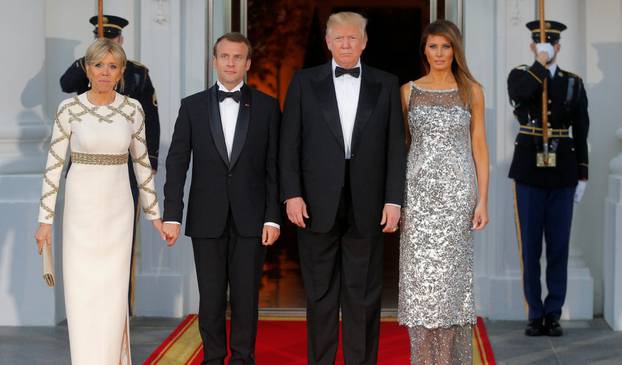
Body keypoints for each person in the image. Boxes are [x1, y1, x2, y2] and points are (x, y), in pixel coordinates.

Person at [280, 12, 406, 364]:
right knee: (320, 294)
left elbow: (396, 147)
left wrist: (394, 199)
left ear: (365, 42)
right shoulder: (304, 83)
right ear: (328, 42)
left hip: (368, 203)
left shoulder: (386, 83)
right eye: (339, 38)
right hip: (315, 203)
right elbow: (289, 144)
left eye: (353, 37)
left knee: (363, 294)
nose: (346, 44)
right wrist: (292, 193)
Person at [34, 38, 163, 364]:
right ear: (87, 69)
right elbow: (53, 165)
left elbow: (142, 164)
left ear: (121, 72)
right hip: (80, 214)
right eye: (98, 65)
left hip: (118, 213)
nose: (105, 72)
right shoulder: (69, 110)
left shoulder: (132, 109)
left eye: (112, 66)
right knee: (81, 297)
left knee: (112, 298)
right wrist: (44, 220)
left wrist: (154, 215)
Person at [161, 32, 281, 365]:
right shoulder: (192, 106)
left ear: (248, 63)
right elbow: (178, 162)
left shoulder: (268, 107)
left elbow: (275, 165)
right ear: (214, 61)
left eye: (238, 57)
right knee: (211, 297)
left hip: (252, 218)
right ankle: (213, 358)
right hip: (205, 217)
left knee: (245, 298)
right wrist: (172, 214)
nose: (231, 63)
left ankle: (243, 359)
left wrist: (272, 216)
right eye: (225, 56)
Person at [397, 20, 489, 364]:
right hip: (419, 200)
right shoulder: (407, 91)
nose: (439, 53)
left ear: (456, 50)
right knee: (421, 287)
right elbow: (402, 147)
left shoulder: (471, 90)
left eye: (446, 47)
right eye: (433, 46)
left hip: (457, 198)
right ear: (424, 49)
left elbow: (479, 146)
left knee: (452, 287)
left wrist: (483, 200)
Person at [59, 14, 161, 313]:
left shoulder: (138, 74)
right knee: (85, 241)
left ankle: (120, 305)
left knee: (123, 239)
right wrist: (89, 60)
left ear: (122, 41)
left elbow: (150, 119)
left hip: (125, 166)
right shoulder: (86, 69)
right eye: (102, 38)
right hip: (86, 169)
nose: (108, 45)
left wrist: (149, 161)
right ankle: (87, 306)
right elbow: (65, 85)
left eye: (113, 40)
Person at [508, 20, 589, 337]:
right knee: (530, 247)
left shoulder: (573, 83)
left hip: (563, 171)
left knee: (558, 246)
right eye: (540, 45)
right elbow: (520, 94)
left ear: (558, 47)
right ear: (532, 47)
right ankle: (535, 312)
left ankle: (553, 312)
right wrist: (539, 66)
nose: (546, 49)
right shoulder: (520, 75)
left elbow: (581, 130)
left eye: (550, 45)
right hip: (529, 170)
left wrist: (583, 174)